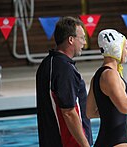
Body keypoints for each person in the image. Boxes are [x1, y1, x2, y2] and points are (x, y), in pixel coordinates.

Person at [36, 16, 93, 147]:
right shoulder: (64, 69)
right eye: (82, 38)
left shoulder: (47, 64)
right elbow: (69, 112)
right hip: (69, 143)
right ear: (71, 40)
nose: (84, 42)